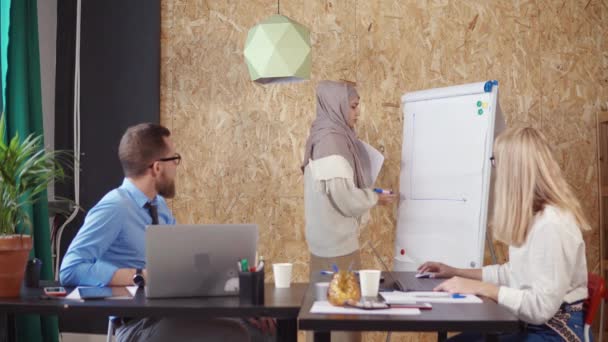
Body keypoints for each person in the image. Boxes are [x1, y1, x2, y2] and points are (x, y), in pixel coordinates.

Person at [60, 123, 273, 341]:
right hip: (138, 326)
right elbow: (71, 268)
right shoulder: (115, 207)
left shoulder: (158, 206)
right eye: (174, 159)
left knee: (265, 330)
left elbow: (183, 264)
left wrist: (240, 305)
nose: (177, 166)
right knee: (235, 334)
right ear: (157, 167)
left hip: (173, 314)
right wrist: (139, 276)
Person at [419, 127, 591, 342]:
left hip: (553, 331)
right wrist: (454, 272)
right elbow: (513, 274)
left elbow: (541, 308)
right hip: (528, 325)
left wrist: (483, 288)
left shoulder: (552, 224)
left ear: (514, 170)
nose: (495, 168)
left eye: (496, 160)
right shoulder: (533, 218)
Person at [301, 80, 398, 341]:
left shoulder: (321, 136)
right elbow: (344, 197)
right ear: (337, 105)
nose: (358, 112)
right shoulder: (332, 142)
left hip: (323, 244)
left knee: (324, 318)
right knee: (343, 321)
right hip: (337, 247)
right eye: (353, 106)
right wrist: (374, 197)